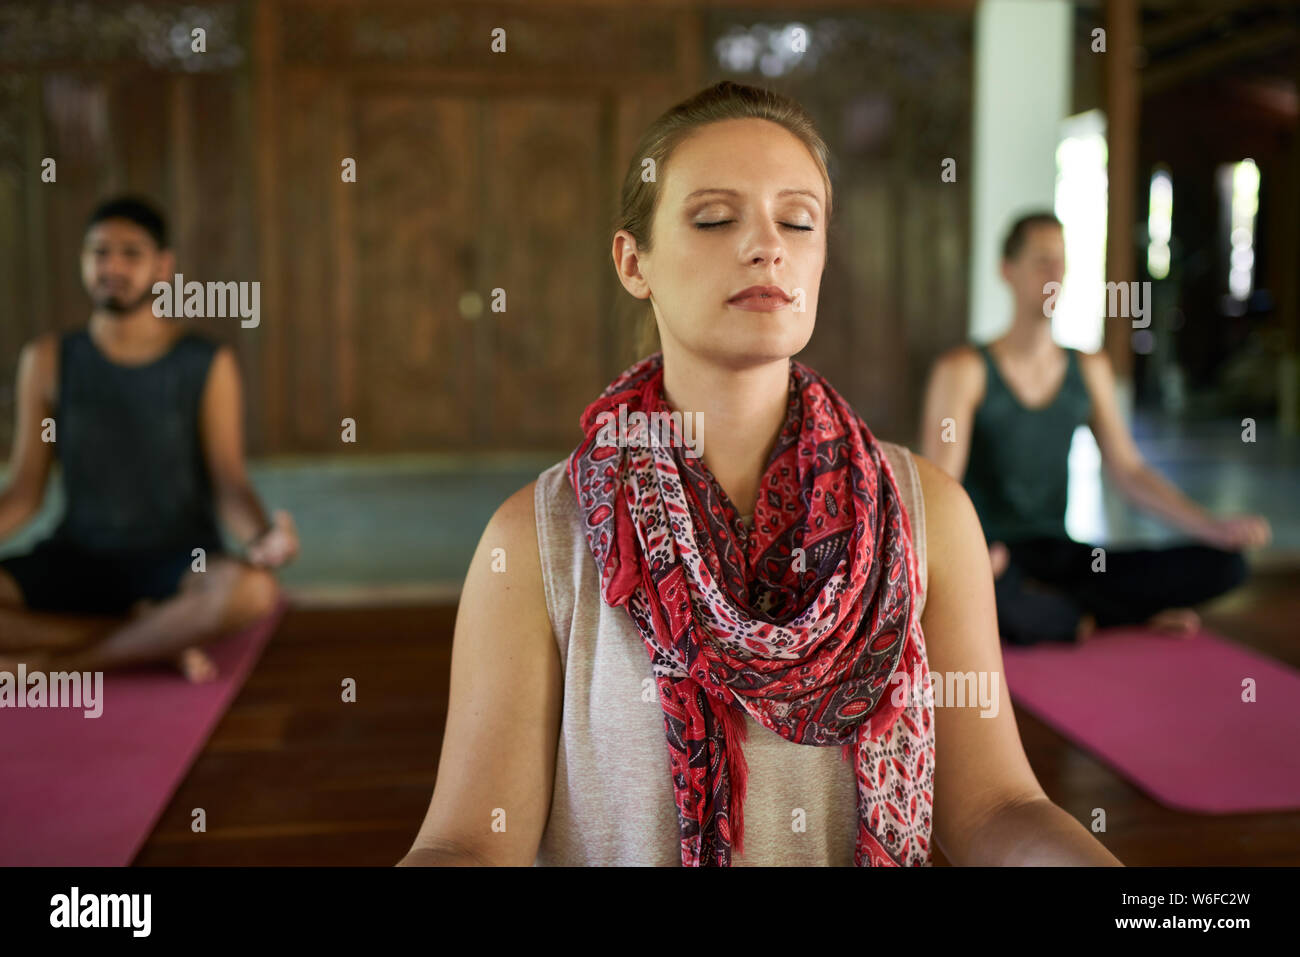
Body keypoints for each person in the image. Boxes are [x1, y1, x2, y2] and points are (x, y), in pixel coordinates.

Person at [399, 83, 1120, 866]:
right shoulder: (539, 540)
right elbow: (468, 842)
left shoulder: (924, 512)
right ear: (632, 262)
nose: (766, 244)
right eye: (715, 217)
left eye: (798, 221)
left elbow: (998, 808)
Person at [919, 211, 1271, 647]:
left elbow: (1129, 471)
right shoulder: (965, 370)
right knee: (981, 599)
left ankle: (1073, 616)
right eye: (1042, 261)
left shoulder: (1088, 367)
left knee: (1226, 566)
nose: (1055, 273)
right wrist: (968, 557)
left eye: (1061, 261)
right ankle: (1097, 615)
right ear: (1007, 271)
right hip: (992, 557)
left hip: (1061, 554)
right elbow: (940, 486)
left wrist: (1211, 527)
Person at [0, 196, 298, 681]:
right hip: (79, 555)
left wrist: (262, 537)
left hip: (180, 562)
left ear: (163, 267)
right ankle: (155, 638)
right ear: (82, 262)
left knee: (254, 592)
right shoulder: (49, 359)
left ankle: (62, 664)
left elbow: (230, 484)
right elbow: (23, 494)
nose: (111, 266)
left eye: (130, 253)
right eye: (99, 252)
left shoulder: (206, 362)